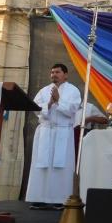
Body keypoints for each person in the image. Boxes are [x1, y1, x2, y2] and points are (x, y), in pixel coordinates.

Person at [26, 63, 81, 210]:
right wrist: (49, 103)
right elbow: (36, 108)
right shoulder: (44, 91)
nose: (54, 75)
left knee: (60, 166)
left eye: (57, 72)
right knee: (42, 165)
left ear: (65, 74)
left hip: (63, 132)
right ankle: (39, 198)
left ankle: (60, 199)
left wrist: (58, 100)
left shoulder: (73, 90)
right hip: (45, 131)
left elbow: (72, 110)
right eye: (52, 72)